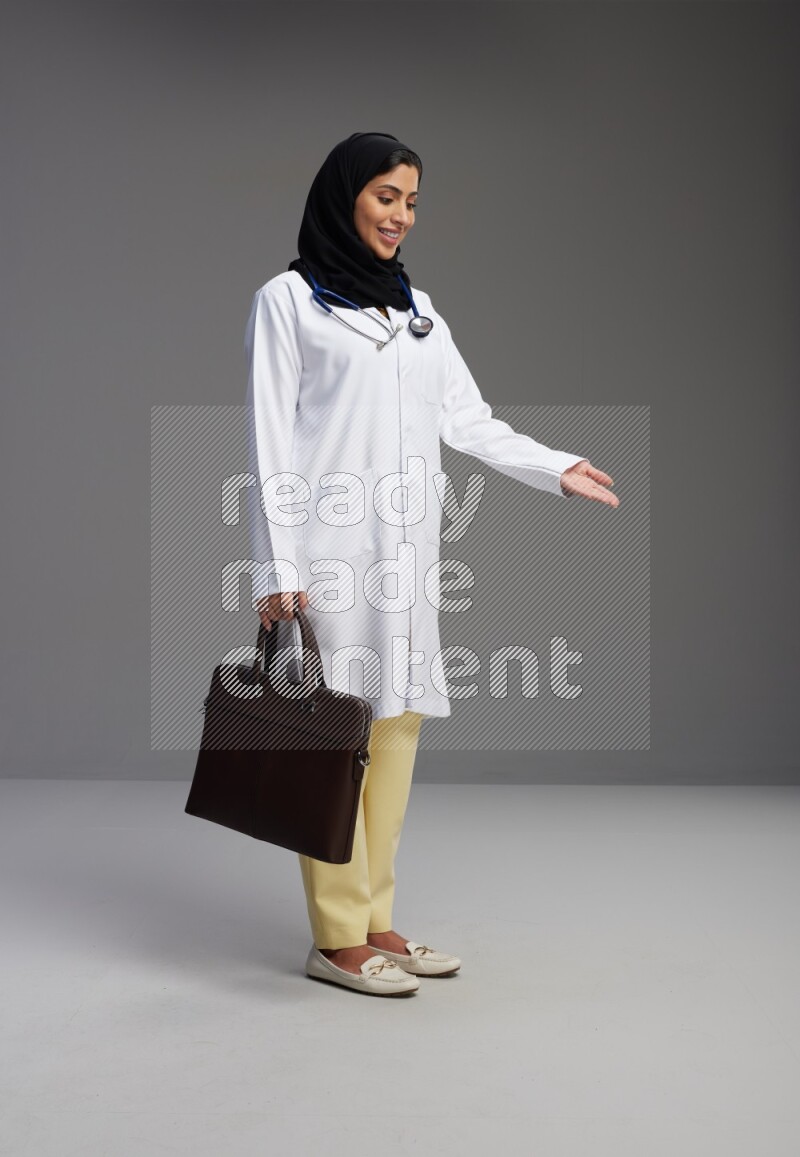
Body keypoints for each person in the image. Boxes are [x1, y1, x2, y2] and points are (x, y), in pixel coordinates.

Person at [244, 132, 618, 997]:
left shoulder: (419, 312)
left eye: (412, 201)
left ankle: (376, 918)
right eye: (386, 196)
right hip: (330, 560)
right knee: (333, 741)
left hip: (409, 559)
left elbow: (469, 420)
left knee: (396, 732)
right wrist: (276, 567)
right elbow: (268, 442)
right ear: (345, 197)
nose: (401, 216)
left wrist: (553, 466)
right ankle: (337, 937)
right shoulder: (288, 302)